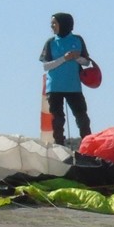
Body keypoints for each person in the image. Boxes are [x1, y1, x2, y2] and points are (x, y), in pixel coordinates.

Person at [40, 13, 93, 144]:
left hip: (73, 86)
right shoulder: (51, 42)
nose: (52, 26)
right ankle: (59, 145)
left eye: (54, 23)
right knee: (57, 119)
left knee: (82, 117)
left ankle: (88, 144)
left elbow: (86, 62)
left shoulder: (77, 40)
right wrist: (64, 58)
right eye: (52, 23)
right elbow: (46, 66)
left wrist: (76, 57)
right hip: (55, 87)